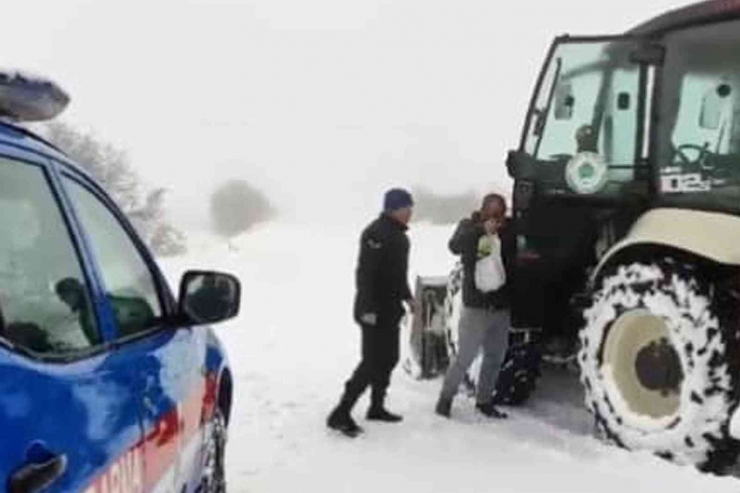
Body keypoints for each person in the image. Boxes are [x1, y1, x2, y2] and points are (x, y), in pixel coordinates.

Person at [326, 188, 415, 437]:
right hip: (373, 310)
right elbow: (365, 275)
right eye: (407, 208)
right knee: (372, 362)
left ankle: (377, 406)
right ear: (394, 209)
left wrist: (408, 297)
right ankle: (340, 412)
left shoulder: (400, 237)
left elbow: (397, 276)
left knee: (389, 358)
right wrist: (367, 309)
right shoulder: (375, 233)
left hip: (390, 310)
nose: (410, 213)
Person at [435, 193, 515, 419]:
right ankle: (445, 398)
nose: (495, 215)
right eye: (491, 211)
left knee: (495, 357)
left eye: (499, 212)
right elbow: (455, 245)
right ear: (482, 211)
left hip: (501, 307)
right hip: (476, 307)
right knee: (465, 356)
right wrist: (481, 231)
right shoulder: (468, 226)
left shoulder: (508, 231)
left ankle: (484, 400)